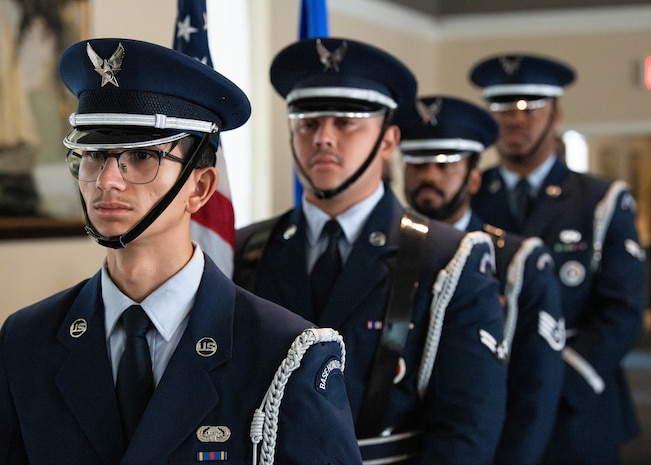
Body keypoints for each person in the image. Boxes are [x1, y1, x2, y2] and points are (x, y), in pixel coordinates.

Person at [0, 38, 362, 465]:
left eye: (140, 156)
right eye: (93, 155)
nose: (107, 181)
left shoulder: (284, 354)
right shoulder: (26, 339)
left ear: (201, 187)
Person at [234, 37, 507, 465]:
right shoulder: (245, 247)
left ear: (388, 140)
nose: (323, 137)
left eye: (346, 122)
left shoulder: (448, 258)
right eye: (308, 123)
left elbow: (465, 430)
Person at [469, 53, 646, 464]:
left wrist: (548, 384)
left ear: (556, 113)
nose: (515, 119)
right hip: (494, 397)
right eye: (501, 107)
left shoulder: (599, 200)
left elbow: (622, 311)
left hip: (578, 406)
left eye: (531, 107)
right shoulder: (473, 197)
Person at [398, 94, 566, 464]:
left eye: (445, 165)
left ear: (474, 178)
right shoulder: (386, 254)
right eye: (416, 163)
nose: (428, 176)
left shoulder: (516, 261)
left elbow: (532, 394)